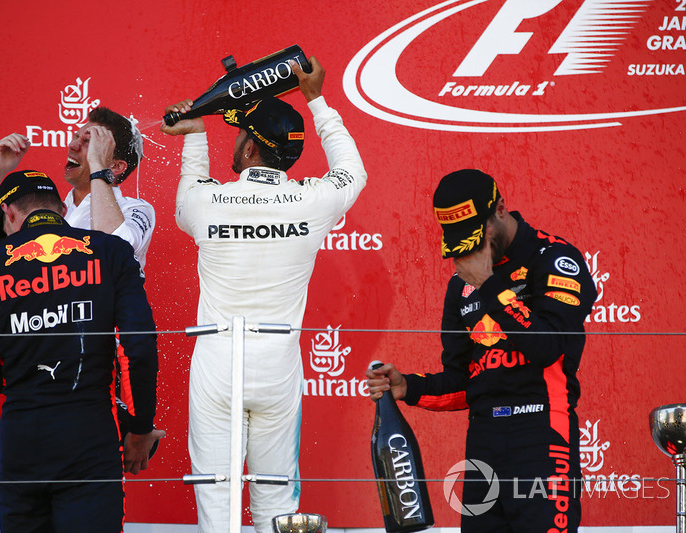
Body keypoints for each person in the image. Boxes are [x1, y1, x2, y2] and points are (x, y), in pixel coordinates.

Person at [161, 57, 367, 532]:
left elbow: (185, 198)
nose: (234, 140)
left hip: (217, 362)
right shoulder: (313, 201)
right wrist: (316, 99)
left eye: (239, 135)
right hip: (279, 366)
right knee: (277, 499)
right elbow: (352, 171)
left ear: (250, 147)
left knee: (216, 498)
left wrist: (195, 134)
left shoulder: (206, 202)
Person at [366, 169, 596, 532]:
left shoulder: (554, 259)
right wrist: (408, 387)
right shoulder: (462, 285)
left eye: (477, 237)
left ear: (501, 208)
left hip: (540, 433)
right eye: (461, 243)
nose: (472, 252)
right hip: (484, 441)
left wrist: (490, 286)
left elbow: (548, 347)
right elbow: (463, 382)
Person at [0, 169, 163, 532]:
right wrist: (139, 428)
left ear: (8, 214)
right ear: (61, 208)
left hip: (21, 437)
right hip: (89, 434)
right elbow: (139, 346)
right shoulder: (110, 250)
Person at [0, 106, 155, 269]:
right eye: (76, 136)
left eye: (88, 141)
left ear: (117, 166)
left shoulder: (135, 210)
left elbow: (116, 248)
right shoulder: (46, 207)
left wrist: (98, 166)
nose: (72, 144)